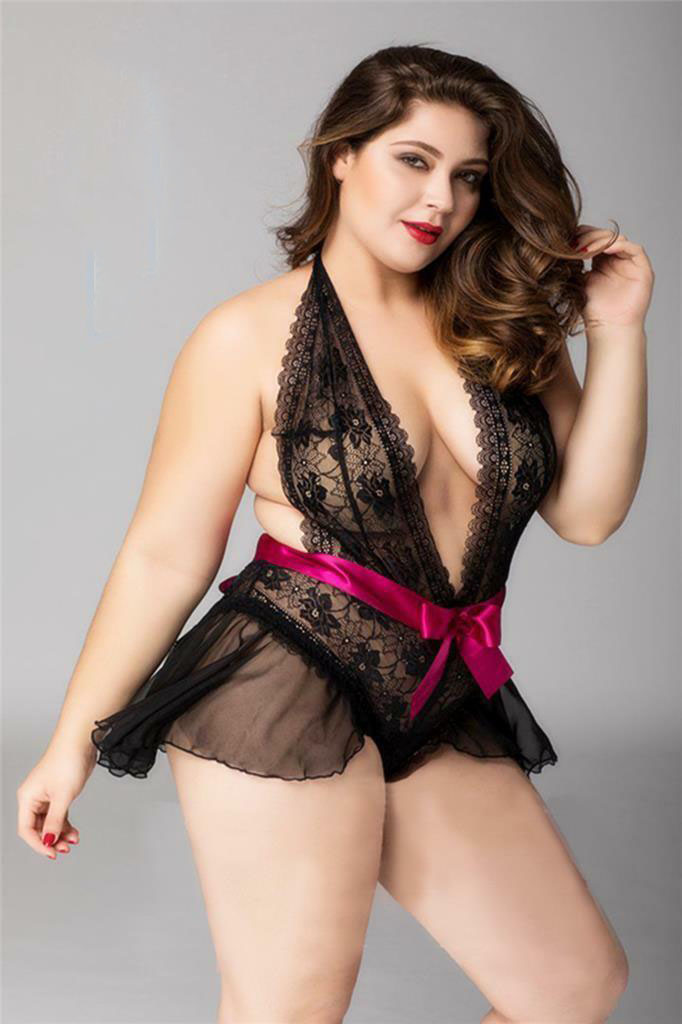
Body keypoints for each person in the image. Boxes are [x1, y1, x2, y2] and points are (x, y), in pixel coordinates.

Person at [17, 44, 653, 1024]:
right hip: (279, 680)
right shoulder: (245, 337)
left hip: (440, 684)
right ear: (342, 155)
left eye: (467, 176)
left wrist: (615, 330)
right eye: (413, 159)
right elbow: (164, 554)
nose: (439, 198)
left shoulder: (500, 325)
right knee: (290, 1008)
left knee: (571, 987)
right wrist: (70, 745)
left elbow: (589, 513)